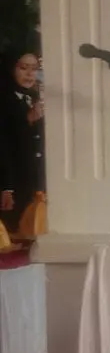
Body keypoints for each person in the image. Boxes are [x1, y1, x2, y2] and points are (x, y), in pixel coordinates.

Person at [0, 51, 44, 241]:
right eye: (24, 68)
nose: (29, 74)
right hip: (13, 184)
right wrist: (6, 188)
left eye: (34, 69)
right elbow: (4, 145)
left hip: (36, 184)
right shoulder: (4, 100)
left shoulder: (35, 99)